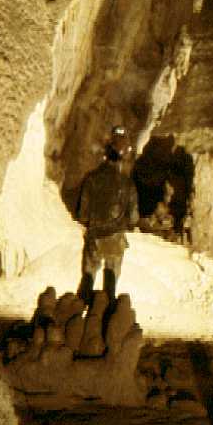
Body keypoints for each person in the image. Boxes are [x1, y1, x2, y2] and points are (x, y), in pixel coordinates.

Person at [77, 126, 139, 304]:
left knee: (87, 278)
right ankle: (105, 310)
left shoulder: (91, 179)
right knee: (110, 282)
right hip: (115, 238)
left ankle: (78, 310)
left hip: (94, 236)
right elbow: (133, 218)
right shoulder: (127, 184)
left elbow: (82, 215)